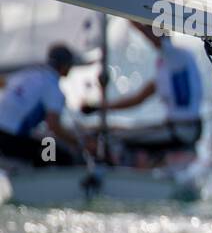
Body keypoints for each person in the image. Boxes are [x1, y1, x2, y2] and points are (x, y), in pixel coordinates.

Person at [82, 21, 204, 159]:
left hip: (182, 131)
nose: (150, 36)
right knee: (111, 130)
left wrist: (129, 16)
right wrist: (98, 107)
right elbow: (137, 100)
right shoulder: (166, 67)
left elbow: (153, 36)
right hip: (176, 128)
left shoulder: (178, 56)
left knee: (113, 137)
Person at [0, 44, 86, 166]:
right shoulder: (53, 88)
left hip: (6, 135)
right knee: (59, 156)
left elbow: (4, 83)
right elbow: (53, 126)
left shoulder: (26, 74)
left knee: (44, 144)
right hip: (9, 140)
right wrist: (80, 144)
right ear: (65, 66)